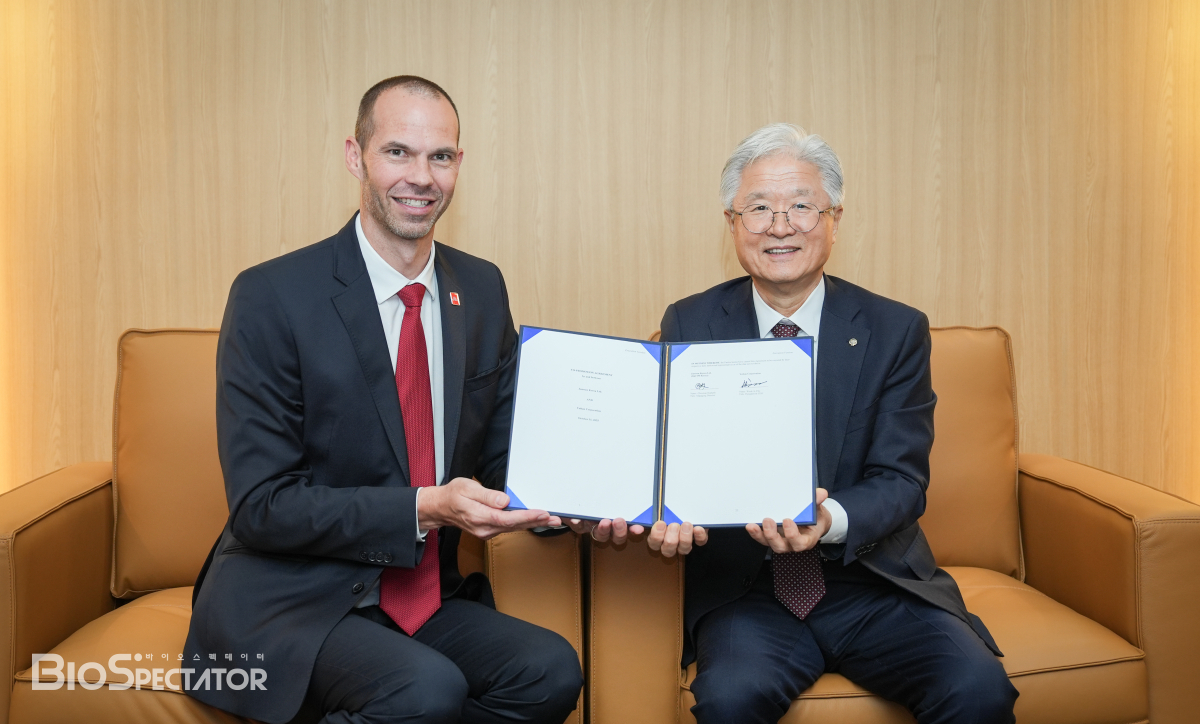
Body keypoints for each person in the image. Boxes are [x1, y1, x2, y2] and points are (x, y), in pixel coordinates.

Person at [580, 123, 1018, 723]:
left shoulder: (895, 330)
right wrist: (662, 510)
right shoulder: (691, 320)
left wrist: (826, 520)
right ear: (733, 224)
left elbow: (902, 480)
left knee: (977, 688)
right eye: (758, 208)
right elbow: (675, 461)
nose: (780, 226)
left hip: (872, 583)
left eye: (801, 207)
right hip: (747, 590)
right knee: (730, 700)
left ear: (834, 219)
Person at [183, 76, 583, 724]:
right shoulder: (272, 296)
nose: (420, 176)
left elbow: (512, 452)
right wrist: (424, 507)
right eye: (398, 152)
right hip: (292, 598)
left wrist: (588, 502)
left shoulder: (480, 290)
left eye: (440, 156)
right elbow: (262, 508)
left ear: (459, 165)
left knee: (549, 673)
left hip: (423, 594)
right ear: (356, 156)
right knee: (424, 693)